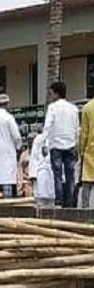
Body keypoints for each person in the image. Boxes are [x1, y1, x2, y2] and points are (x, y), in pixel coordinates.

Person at [40, 80, 80, 208]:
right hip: (70, 144)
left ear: (56, 94)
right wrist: (77, 144)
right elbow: (77, 128)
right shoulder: (74, 108)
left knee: (57, 175)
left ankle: (59, 201)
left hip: (56, 145)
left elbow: (47, 126)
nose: (50, 96)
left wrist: (44, 143)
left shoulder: (52, 107)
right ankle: (70, 202)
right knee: (70, 175)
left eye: (51, 93)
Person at [30, 131, 55, 207]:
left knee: (52, 203)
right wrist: (33, 175)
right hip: (40, 173)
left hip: (52, 174)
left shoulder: (55, 138)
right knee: (40, 203)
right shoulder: (38, 139)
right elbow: (33, 158)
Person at [80, 91, 94, 208]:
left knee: (87, 182)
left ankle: (85, 209)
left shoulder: (87, 108)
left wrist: (81, 150)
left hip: (90, 150)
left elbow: (84, 133)